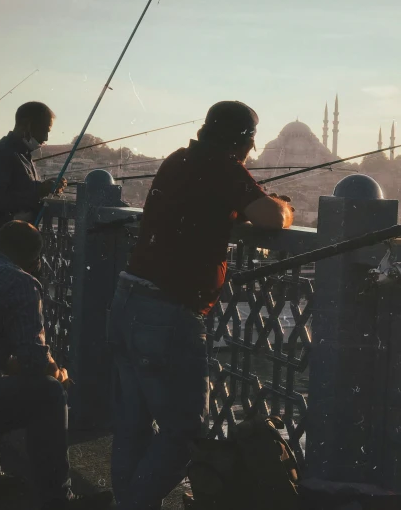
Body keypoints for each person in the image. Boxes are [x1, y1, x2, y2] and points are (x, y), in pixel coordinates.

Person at [107, 101, 293, 509]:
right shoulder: (224, 167)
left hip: (127, 300)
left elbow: (202, 208)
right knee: (185, 432)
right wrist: (284, 205)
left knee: (132, 425)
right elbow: (272, 218)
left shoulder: (178, 158)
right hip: (168, 314)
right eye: (251, 142)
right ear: (242, 140)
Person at [0, 220, 112, 509]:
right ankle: (57, 499)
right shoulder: (20, 281)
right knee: (47, 394)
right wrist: (58, 374)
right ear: (34, 262)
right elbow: (34, 360)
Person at [0, 101, 66, 250]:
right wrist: (38, 191)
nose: (46, 138)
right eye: (44, 130)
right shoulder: (0, 153)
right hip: (3, 246)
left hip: (18, 244)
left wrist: (44, 187)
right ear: (28, 125)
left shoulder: (23, 154)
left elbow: (18, 188)